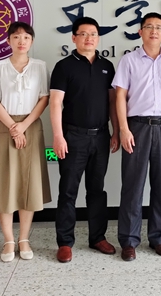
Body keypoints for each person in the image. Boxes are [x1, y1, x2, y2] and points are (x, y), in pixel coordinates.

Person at [112, 12, 161, 261]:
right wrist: (123, 129)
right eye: (149, 27)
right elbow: (120, 96)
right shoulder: (129, 60)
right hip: (137, 127)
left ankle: (158, 238)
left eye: (158, 27)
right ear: (140, 31)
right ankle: (129, 240)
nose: (154, 31)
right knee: (133, 185)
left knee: (160, 185)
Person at [50, 16, 120, 263]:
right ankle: (65, 242)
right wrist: (58, 137)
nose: (89, 38)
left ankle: (97, 237)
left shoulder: (107, 66)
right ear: (74, 38)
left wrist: (116, 131)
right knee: (68, 191)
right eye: (83, 34)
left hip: (100, 137)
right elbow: (55, 103)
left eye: (93, 34)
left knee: (97, 190)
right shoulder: (64, 66)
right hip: (73, 137)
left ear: (98, 38)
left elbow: (112, 102)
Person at [0, 22, 51, 262]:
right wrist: (14, 127)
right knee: (5, 183)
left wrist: (23, 126)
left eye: (26, 37)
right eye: (16, 37)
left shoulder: (40, 66)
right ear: (8, 40)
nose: (21, 41)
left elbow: (44, 98)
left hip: (31, 126)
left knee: (28, 184)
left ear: (32, 41)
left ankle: (24, 238)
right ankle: (8, 240)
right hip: (5, 126)